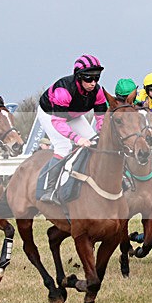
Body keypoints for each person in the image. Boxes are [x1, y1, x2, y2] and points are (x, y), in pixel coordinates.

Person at [37, 54, 109, 203]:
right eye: (88, 78)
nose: (93, 83)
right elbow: (58, 122)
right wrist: (77, 138)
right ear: (79, 77)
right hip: (51, 114)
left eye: (96, 78)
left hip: (73, 115)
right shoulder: (63, 90)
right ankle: (49, 191)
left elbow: (101, 118)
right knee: (64, 147)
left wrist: (102, 132)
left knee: (95, 143)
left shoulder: (98, 92)